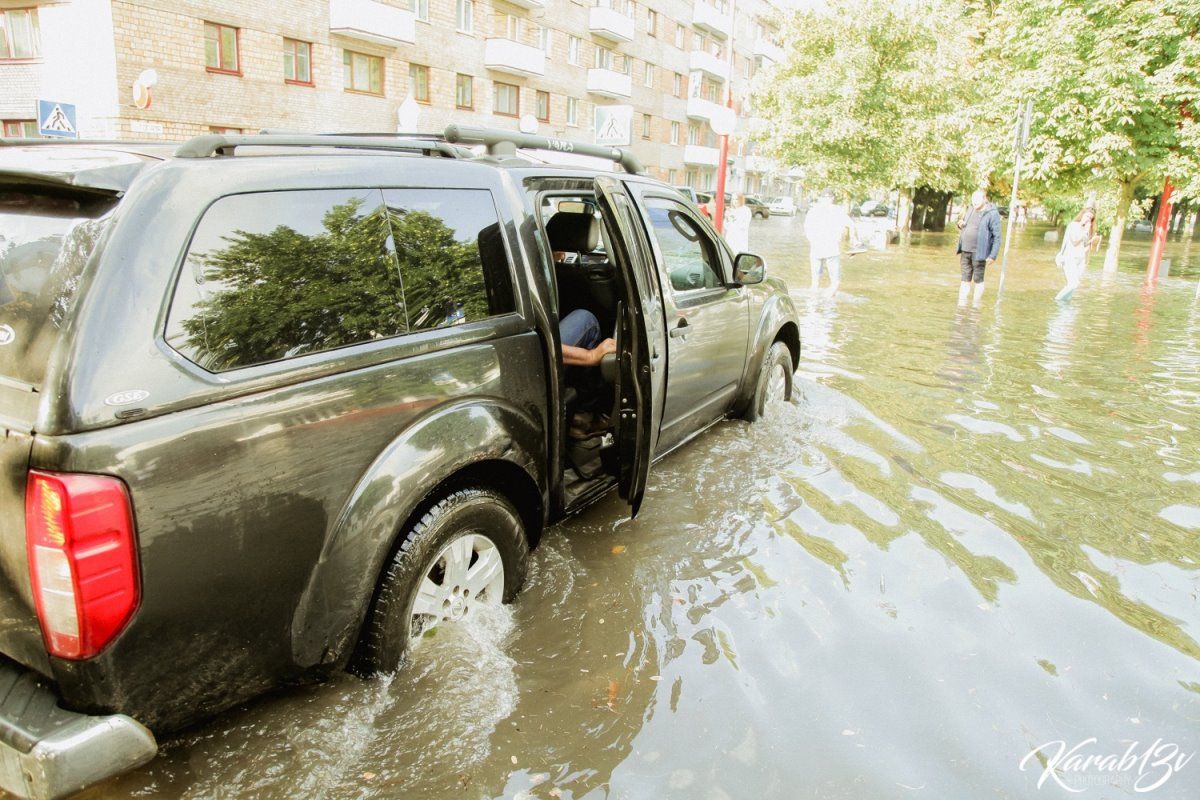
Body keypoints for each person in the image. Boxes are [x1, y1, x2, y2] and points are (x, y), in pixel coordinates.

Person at [955, 188, 1001, 306]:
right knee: (965, 279)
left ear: (985, 199)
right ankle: (962, 305)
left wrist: (993, 255)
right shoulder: (970, 209)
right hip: (965, 249)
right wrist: (961, 225)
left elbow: (997, 236)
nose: (974, 202)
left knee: (978, 279)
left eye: (977, 199)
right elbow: (966, 225)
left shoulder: (992, 213)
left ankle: (975, 306)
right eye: (973, 199)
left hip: (980, 251)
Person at [803, 189, 853, 295]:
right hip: (827, 247)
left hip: (822, 247)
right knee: (833, 281)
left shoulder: (815, 210)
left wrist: (811, 240)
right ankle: (828, 301)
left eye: (829, 197)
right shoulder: (836, 210)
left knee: (817, 283)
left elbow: (807, 228)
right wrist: (854, 242)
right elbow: (851, 224)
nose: (828, 199)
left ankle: (814, 304)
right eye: (827, 198)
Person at [1054, 206, 1102, 302]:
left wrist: (1093, 241)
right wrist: (1084, 231)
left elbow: (1084, 246)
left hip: (1081, 259)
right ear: (1082, 214)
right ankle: (1057, 301)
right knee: (1073, 283)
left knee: (1074, 286)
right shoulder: (1073, 225)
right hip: (1069, 257)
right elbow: (1074, 241)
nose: (1088, 219)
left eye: (1090, 218)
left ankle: (1066, 307)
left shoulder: (1088, 230)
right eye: (1087, 216)